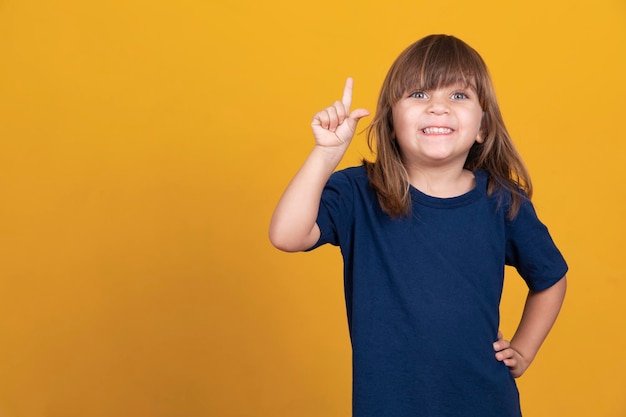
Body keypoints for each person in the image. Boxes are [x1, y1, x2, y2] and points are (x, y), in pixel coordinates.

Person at [269, 34, 567, 417]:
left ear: (482, 128)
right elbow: (286, 235)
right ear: (392, 123)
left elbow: (551, 277)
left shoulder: (501, 201)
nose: (438, 108)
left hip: (486, 404)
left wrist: (524, 350)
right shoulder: (359, 192)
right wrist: (326, 154)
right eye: (418, 94)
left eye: (458, 96)